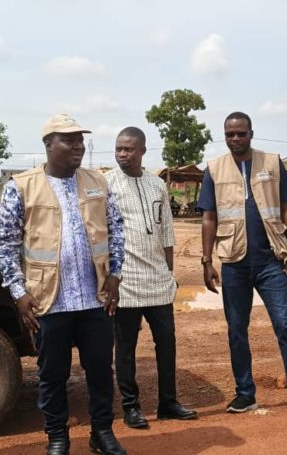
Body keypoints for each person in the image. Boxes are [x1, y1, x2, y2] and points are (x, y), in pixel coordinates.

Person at [0, 114, 126, 455]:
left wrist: (115, 274)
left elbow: (116, 228)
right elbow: (5, 244)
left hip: (95, 298)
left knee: (100, 370)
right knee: (52, 375)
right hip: (48, 300)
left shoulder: (97, 181)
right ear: (49, 145)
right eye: (69, 140)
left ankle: (102, 432)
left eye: (80, 139)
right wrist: (18, 292)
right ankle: (57, 437)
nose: (78, 146)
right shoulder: (21, 186)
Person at [198, 111, 287, 425]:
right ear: (225, 136)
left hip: (270, 261)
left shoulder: (272, 163)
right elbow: (209, 217)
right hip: (234, 262)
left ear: (251, 133)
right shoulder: (214, 169)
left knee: (285, 325)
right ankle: (245, 393)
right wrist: (206, 260)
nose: (236, 138)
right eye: (230, 134)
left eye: (241, 133)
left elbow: (286, 209)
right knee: (237, 330)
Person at [105, 127, 198, 429]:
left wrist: (170, 273)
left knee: (166, 343)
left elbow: (166, 231)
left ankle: (168, 402)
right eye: (119, 149)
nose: (122, 154)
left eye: (129, 149)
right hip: (126, 281)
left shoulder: (157, 184)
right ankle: (131, 407)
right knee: (126, 348)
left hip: (158, 280)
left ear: (142, 151)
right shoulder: (108, 184)